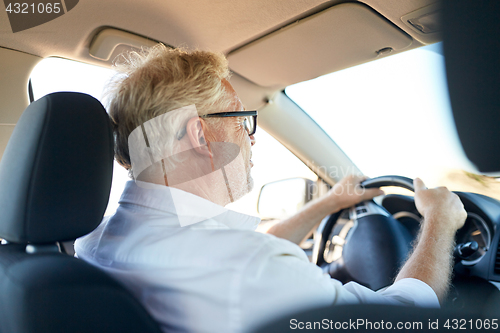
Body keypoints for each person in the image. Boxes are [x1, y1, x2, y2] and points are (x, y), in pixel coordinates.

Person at [75, 44, 467, 333]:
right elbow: (402, 318)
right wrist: (439, 221)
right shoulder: (247, 268)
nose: (251, 139)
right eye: (242, 119)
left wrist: (330, 202)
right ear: (199, 134)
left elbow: (239, 253)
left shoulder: (94, 240)